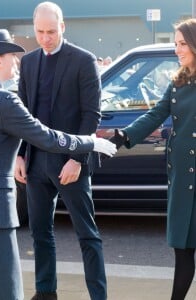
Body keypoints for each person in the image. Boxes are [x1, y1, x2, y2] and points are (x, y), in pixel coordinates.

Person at [0, 29, 116, 300]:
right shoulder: (4, 100)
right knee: (3, 289)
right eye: (11, 56)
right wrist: (89, 144)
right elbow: (47, 137)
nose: (16, 61)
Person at [14, 2, 106, 299]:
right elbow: (23, 114)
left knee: (87, 236)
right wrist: (19, 154)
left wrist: (77, 159)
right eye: (39, 32)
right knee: (40, 234)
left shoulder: (84, 60)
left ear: (63, 27)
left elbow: (91, 115)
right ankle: (45, 292)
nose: (45, 38)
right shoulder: (28, 63)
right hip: (35, 163)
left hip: (71, 164)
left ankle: (98, 295)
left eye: (51, 31)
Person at [109, 18, 196, 300]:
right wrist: (124, 136)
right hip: (183, 179)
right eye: (176, 44)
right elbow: (156, 114)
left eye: (182, 44)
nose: (177, 49)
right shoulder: (180, 82)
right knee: (183, 251)